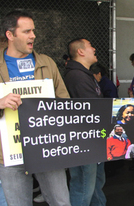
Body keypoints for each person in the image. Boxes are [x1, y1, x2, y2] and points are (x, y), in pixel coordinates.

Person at [0, 10, 71, 206]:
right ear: (10, 35)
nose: (33, 36)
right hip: (9, 151)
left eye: (34, 31)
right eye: (27, 31)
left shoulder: (46, 62)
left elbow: (64, 100)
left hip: (46, 146)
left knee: (61, 202)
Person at [64, 38, 106, 206]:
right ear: (80, 52)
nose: (94, 48)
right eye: (90, 46)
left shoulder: (84, 74)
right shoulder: (77, 76)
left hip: (93, 139)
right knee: (83, 186)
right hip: (84, 142)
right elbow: (92, 108)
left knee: (95, 183)